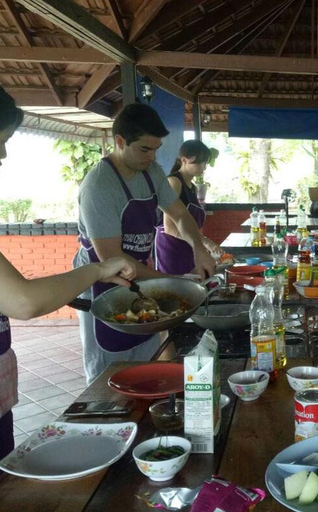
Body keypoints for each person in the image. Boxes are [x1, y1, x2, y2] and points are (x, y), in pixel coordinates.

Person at [0, 68, 136, 512]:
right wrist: (99, 268)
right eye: (2, 139)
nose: (5, 154)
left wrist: (83, 281)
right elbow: (23, 300)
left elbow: (6, 288)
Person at [73, 103, 216, 384]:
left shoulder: (151, 173)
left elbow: (179, 214)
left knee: (148, 360)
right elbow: (113, 262)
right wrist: (171, 283)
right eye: (144, 149)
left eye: (156, 149)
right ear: (119, 141)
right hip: (104, 284)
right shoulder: (99, 187)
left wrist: (200, 249)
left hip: (139, 277)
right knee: (110, 374)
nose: (152, 157)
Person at [154, 140, 221, 275]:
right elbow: (170, 228)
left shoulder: (193, 188)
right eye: (199, 162)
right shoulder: (174, 182)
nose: (203, 167)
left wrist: (202, 246)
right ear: (184, 160)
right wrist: (203, 243)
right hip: (171, 248)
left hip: (189, 247)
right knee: (174, 289)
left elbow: (192, 225)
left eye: (205, 163)